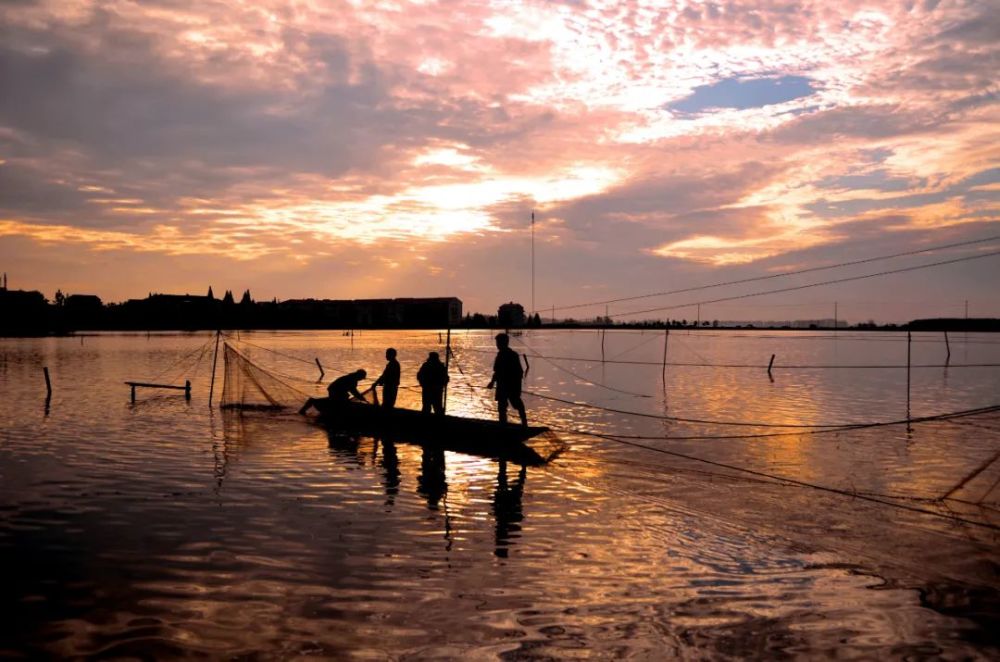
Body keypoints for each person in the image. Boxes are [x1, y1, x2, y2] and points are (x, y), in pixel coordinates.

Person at [487, 333, 527, 427]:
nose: (497, 345)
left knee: (517, 404)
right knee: (502, 407)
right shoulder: (500, 355)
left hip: (511, 386)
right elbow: (497, 371)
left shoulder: (513, 355)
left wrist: (515, 384)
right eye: (497, 343)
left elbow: (519, 372)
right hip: (502, 386)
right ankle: (503, 425)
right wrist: (492, 382)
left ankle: (524, 422)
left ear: (504, 343)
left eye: (498, 342)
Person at [298, 369, 367, 415]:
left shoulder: (353, 378)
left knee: (342, 399)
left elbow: (354, 391)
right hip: (334, 389)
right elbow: (354, 391)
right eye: (362, 377)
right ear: (359, 375)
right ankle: (311, 402)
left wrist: (361, 398)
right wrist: (363, 399)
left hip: (340, 391)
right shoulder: (352, 379)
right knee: (337, 401)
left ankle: (314, 402)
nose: (361, 379)